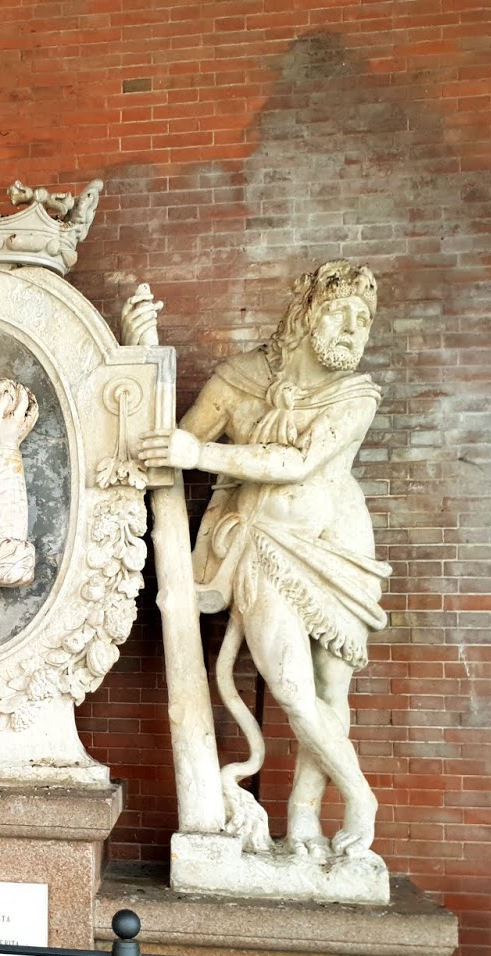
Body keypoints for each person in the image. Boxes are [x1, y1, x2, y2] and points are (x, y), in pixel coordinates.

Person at [138, 260, 389, 859]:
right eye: (342, 313)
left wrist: (199, 454)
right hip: (262, 544)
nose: (354, 330)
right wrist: (140, 357)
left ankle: (304, 818)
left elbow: (296, 463)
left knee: (331, 688)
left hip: (341, 551)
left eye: (363, 320)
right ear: (304, 316)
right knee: (293, 688)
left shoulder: (357, 396)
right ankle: (362, 796)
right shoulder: (236, 382)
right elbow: (168, 450)